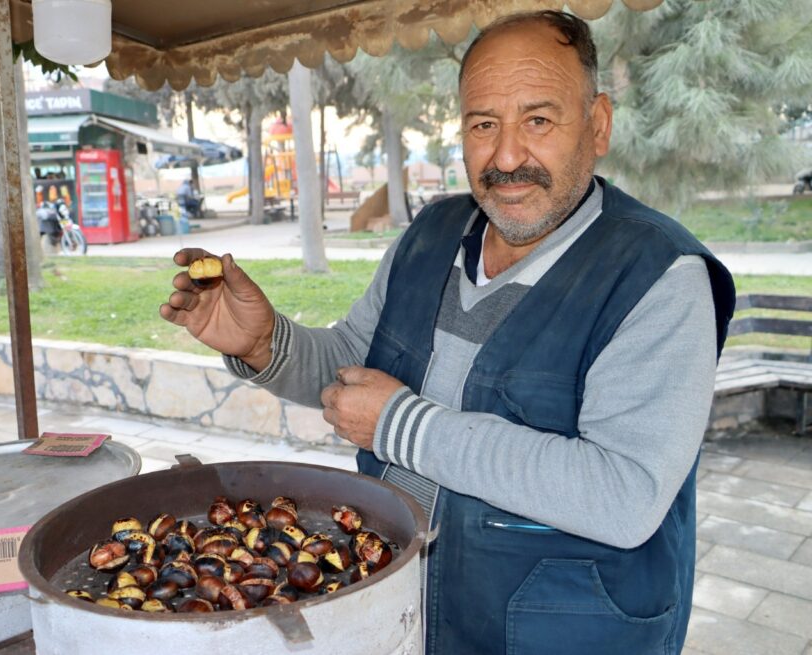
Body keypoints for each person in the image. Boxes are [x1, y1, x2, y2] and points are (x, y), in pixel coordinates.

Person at [160, 10, 735, 655]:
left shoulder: (658, 276)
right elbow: (355, 364)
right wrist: (267, 345)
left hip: (559, 632)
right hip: (408, 606)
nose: (507, 156)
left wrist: (399, 424)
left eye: (538, 121)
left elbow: (624, 495)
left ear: (598, 124)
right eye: (483, 125)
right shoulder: (434, 232)